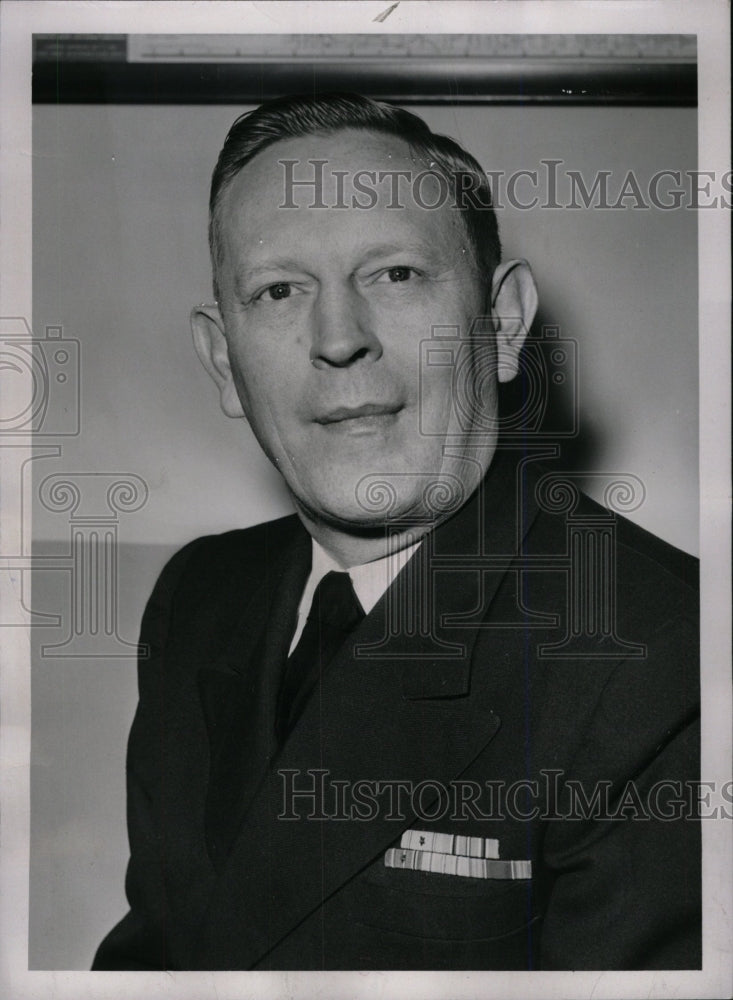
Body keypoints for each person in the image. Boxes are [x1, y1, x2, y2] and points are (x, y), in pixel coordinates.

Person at [92, 93, 700, 971]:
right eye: (278, 290)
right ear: (225, 361)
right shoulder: (200, 593)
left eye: (395, 275)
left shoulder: (664, 654)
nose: (337, 340)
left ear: (502, 324)